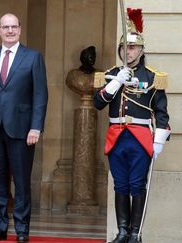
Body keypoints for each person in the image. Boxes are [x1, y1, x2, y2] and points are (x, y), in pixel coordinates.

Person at [93, 8, 170, 243]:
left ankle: (136, 233)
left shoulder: (153, 77)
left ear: (141, 50)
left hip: (139, 137)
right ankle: (123, 231)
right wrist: (116, 82)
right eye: (124, 47)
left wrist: (158, 140)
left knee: (137, 184)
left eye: (133, 47)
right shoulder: (109, 75)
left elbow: (161, 113)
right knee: (120, 185)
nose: (128, 51)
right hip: (116, 136)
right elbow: (98, 103)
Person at [0, 13, 48, 243]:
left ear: (20, 29)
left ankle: (22, 229)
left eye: (13, 27)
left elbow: (40, 95)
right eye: (5, 27)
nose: (9, 31)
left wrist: (36, 127)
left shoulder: (33, 57)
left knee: (22, 182)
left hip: (22, 130)